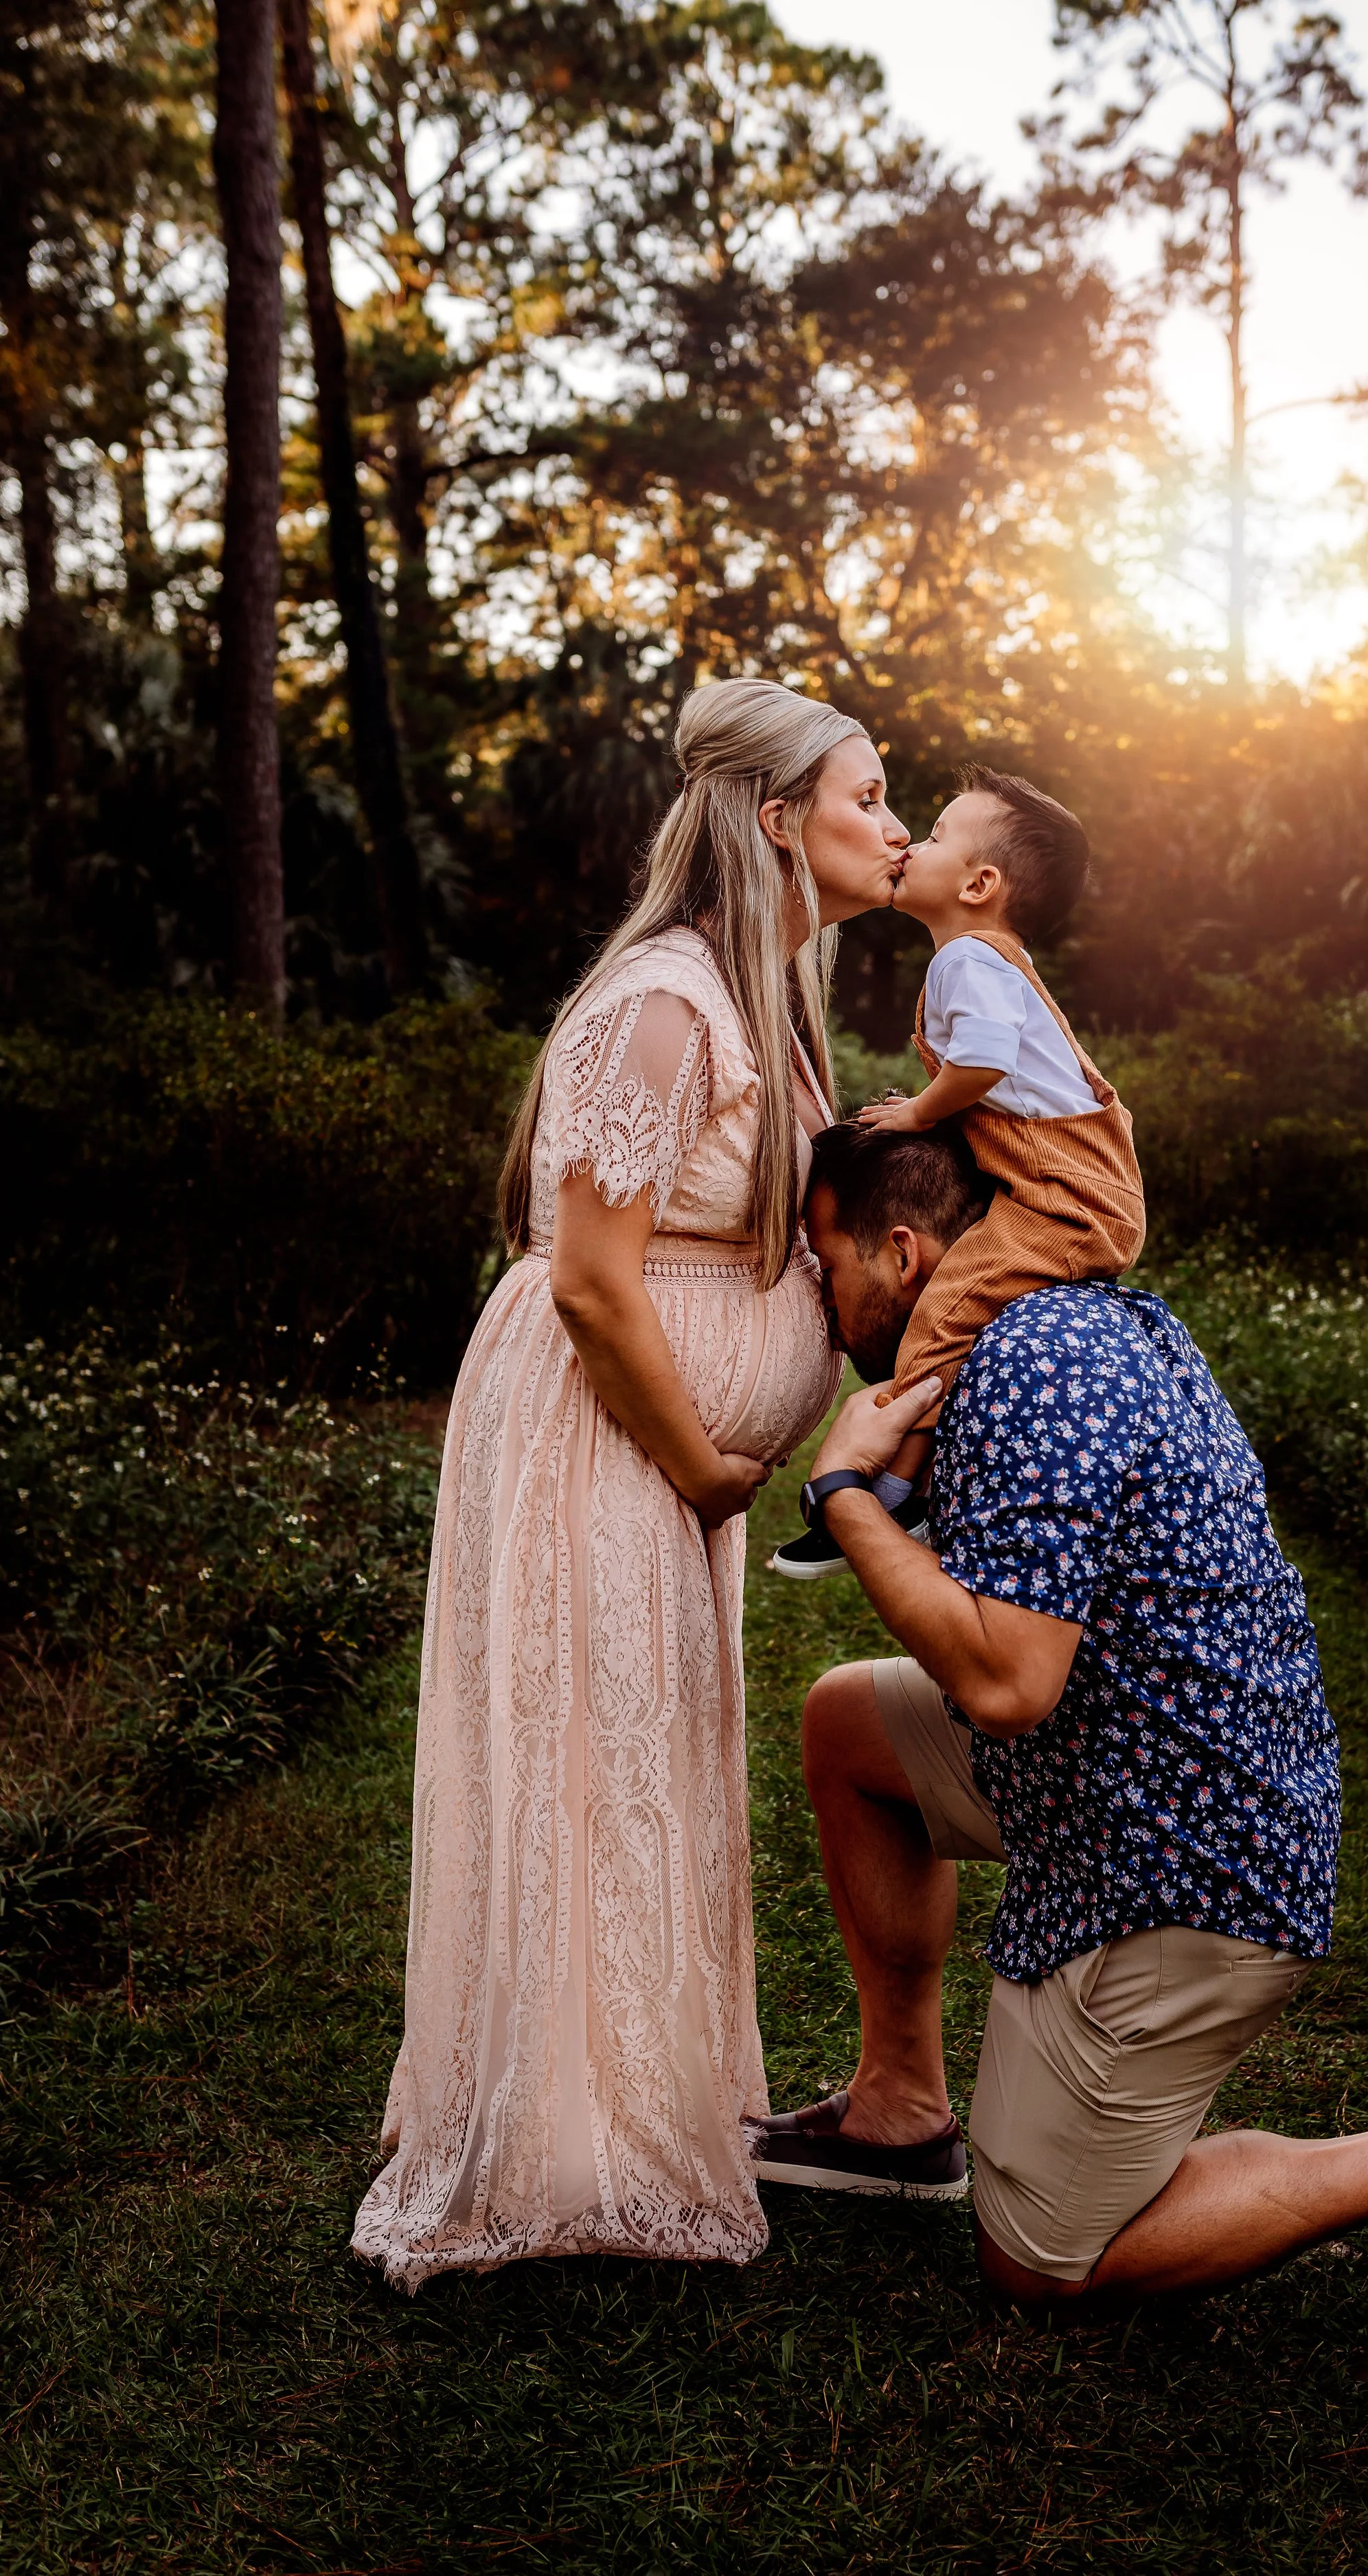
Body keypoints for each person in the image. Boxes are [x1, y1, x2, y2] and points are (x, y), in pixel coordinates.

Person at [751, 1122, 1368, 2369]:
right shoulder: (1061, 1322)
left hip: (1183, 1861)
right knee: (848, 1726)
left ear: (903, 1247)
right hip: (1135, 1769)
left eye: (825, 1266)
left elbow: (1006, 1682)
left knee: (1041, 2261)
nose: (823, 1303)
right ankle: (896, 2109)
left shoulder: (1037, 1364)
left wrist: (847, 1499)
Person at [351, 682, 908, 2292]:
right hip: (602, 1426)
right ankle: (537, 2135)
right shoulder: (667, 1002)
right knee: (579, 1747)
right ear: (781, 818)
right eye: (871, 793)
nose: (896, 821)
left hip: (663, 1447)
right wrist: (699, 1459)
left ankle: (623, 2104)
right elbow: (594, 1279)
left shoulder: (772, 997)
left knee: (637, 1748)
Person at [767, 767, 1144, 1579]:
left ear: (979, 883)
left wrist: (916, 1115)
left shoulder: (968, 959)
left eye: (935, 836)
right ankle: (935, 1480)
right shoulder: (988, 960)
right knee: (967, 1322)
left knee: (949, 1309)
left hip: (1066, 1198)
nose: (909, 840)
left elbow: (980, 1062)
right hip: (1067, 1183)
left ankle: (892, 1489)